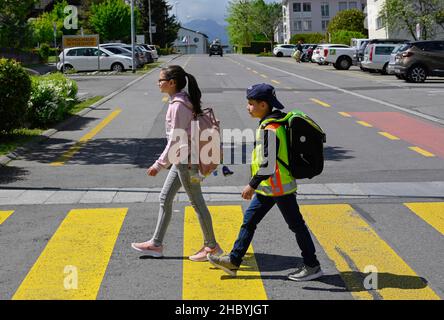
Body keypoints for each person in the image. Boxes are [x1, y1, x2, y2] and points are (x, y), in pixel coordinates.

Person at [207, 83, 323, 281]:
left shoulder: (271, 128)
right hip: (269, 188)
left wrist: (251, 185)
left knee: (296, 226)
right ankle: (234, 260)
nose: (248, 107)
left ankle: (312, 265)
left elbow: (268, 164)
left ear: (263, 105)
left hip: (279, 188)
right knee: (249, 221)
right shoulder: (270, 123)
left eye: (251, 104)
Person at [131, 65, 223, 261]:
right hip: (183, 159)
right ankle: (156, 244)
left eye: (161, 80)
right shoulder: (182, 101)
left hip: (187, 161)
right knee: (165, 198)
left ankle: (212, 247)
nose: (158, 83)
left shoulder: (178, 106)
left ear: (172, 83)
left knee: (197, 203)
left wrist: (159, 164)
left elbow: (176, 140)